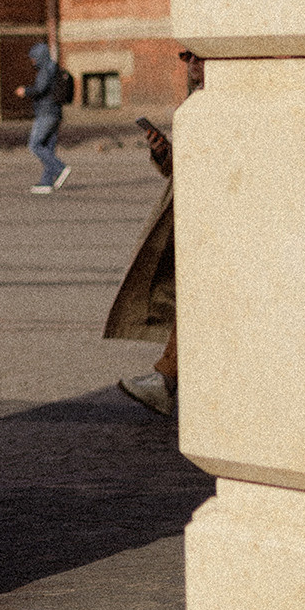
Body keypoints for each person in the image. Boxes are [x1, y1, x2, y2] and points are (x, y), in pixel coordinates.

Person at [106, 49, 205, 416]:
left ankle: (168, 380)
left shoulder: (225, 103)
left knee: (197, 301)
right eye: (185, 57)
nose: (191, 65)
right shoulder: (200, 103)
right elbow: (189, 168)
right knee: (193, 301)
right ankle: (168, 379)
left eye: (198, 57)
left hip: (216, 226)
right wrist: (164, 156)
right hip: (196, 223)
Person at [16, 42, 70, 194]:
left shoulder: (45, 70)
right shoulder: (54, 68)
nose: (32, 60)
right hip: (55, 112)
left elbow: (40, 88)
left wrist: (25, 91)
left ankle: (60, 168)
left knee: (35, 145)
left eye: (34, 57)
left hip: (46, 113)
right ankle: (46, 182)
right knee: (48, 147)